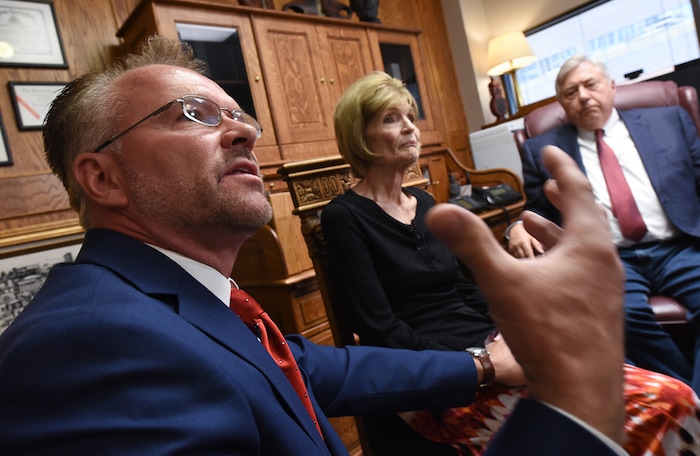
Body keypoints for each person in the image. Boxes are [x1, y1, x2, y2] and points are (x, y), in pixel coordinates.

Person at [0, 35, 633, 455]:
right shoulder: (88, 344)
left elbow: (314, 367)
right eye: (194, 115)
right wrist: (575, 396)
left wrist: (486, 364)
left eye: (239, 115)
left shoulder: (181, 300)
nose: (245, 133)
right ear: (102, 177)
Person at [323, 71, 700, 455]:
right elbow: (378, 328)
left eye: (409, 116)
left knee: (675, 395)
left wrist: (509, 333)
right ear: (359, 135)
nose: (410, 128)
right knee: (652, 413)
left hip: (496, 348)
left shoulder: (425, 205)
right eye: (391, 119)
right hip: (433, 376)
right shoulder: (343, 217)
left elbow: (463, 290)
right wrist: (477, 363)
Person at [508, 55, 700, 393]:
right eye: (570, 92)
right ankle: (683, 397)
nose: (582, 96)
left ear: (612, 87)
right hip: (609, 258)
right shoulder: (543, 149)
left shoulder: (668, 120)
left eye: (590, 84)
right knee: (621, 318)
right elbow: (536, 208)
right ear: (562, 105)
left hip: (679, 246)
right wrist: (518, 227)